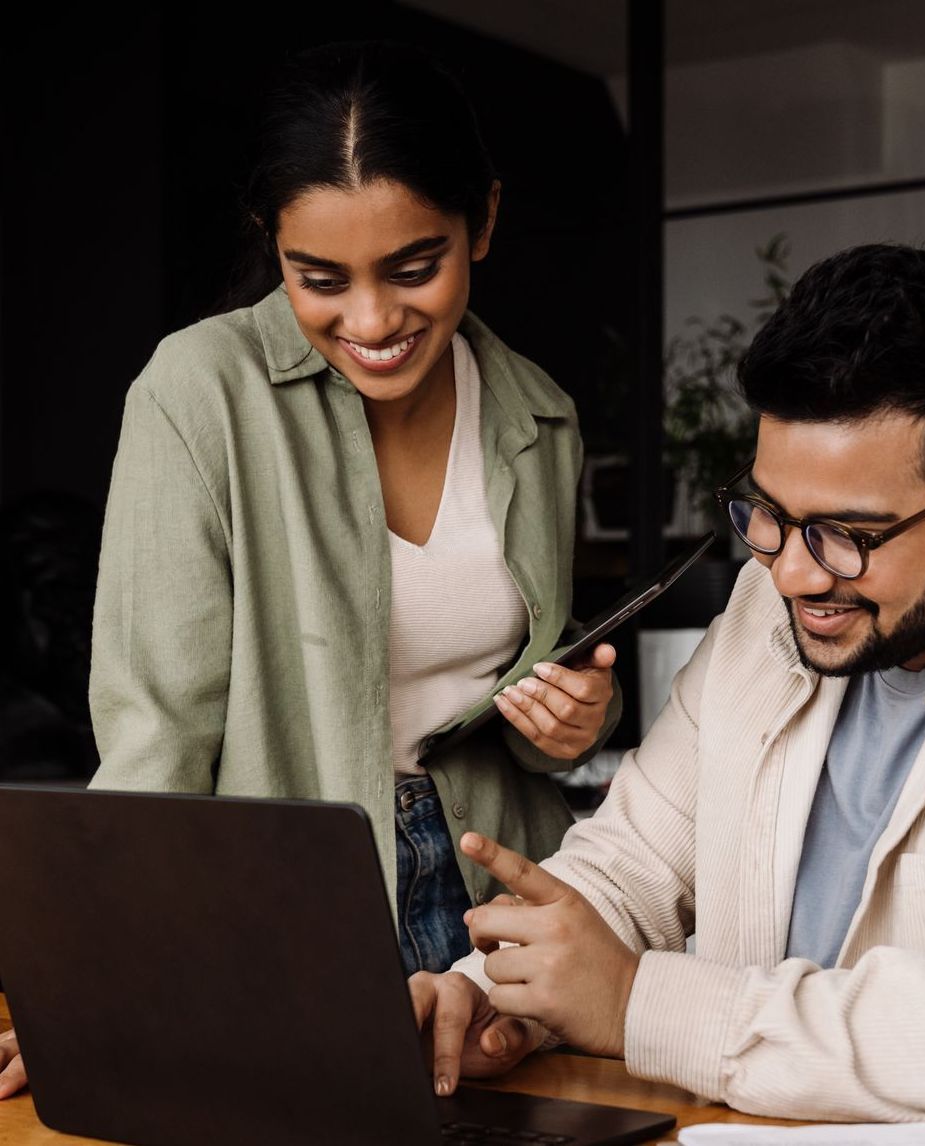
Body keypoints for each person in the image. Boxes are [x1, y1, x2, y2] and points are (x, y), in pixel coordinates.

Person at [407, 243, 925, 1134]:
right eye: (769, 517)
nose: (792, 576)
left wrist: (639, 1007)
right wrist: (493, 995)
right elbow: (632, 868)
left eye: (847, 534)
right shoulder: (771, 607)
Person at [0, 38, 620, 1098]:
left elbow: (529, 682)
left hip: (497, 908)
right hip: (286, 905)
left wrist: (581, 717)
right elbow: (158, 728)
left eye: (414, 267)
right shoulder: (197, 396)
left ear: (485, 221)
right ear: (271, 247)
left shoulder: (538, 411)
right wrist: (100, 975)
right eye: (319, 280)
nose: (372, 321)